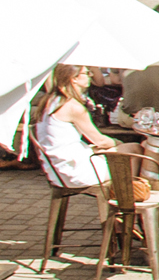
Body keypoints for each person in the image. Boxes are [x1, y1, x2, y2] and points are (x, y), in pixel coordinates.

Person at [33, 64, 117, 192]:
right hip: (76, 174)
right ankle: (126, 203)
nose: (91, 76)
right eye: (86, 73)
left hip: (58, 171)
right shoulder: (73, 107)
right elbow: (100, 141)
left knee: (121, 151)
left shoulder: (51, 100)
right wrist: (118, 143)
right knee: (132, 151)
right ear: (74, 78)